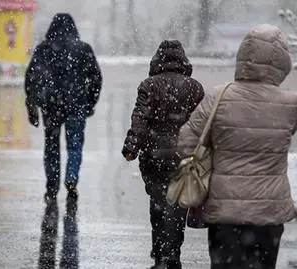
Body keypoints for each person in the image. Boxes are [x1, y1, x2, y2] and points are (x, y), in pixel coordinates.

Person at [178, 24, 297, 269]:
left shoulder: (219, 96)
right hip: (268, 212)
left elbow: (186, 143)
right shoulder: (290, 104)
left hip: (225, 212)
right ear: (282, 62)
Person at [122, 40, 205, 269]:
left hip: (154, 155)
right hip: (184, 156)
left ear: (157, 60)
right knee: (178, 205)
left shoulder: (149, 85)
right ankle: (173, 251)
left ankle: (159, 249)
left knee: (158, 201)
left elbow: (140, 118)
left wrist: (131, 146)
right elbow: (202, 124)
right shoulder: (195, 88)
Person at [25, 13, 102, 201]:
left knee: (52, 148)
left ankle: (52, 187)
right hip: (77, 106)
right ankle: (71, 177)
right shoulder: (83, 49)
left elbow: (31, 79)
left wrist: (33, 105)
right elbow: (96, 79)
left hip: (51, 107)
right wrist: (89, 103)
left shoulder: (44, 49)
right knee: (75, 147)